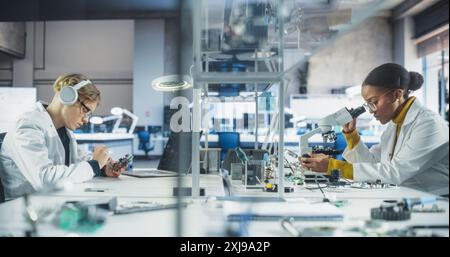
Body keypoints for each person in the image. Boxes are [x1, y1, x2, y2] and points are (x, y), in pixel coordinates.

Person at [300, 63, 449, 195]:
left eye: (374, 102)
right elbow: (372, 164)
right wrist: (352, 136)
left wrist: (333, 166)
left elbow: (394, 173)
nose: (371, 111)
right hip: (408, 196)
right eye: (368, 104)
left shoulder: (429, 124)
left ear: (397, 94)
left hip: (437, 202)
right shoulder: (395, 124)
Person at [0, 73, 127, 200]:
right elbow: (44, 179)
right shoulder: (28, 125)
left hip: (52, 200)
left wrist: (103, 168)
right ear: (68, 97)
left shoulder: (64, 131)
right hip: (24, 207)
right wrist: (94, 165)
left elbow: (77, 162)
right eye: (85, 111)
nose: (86, 120)